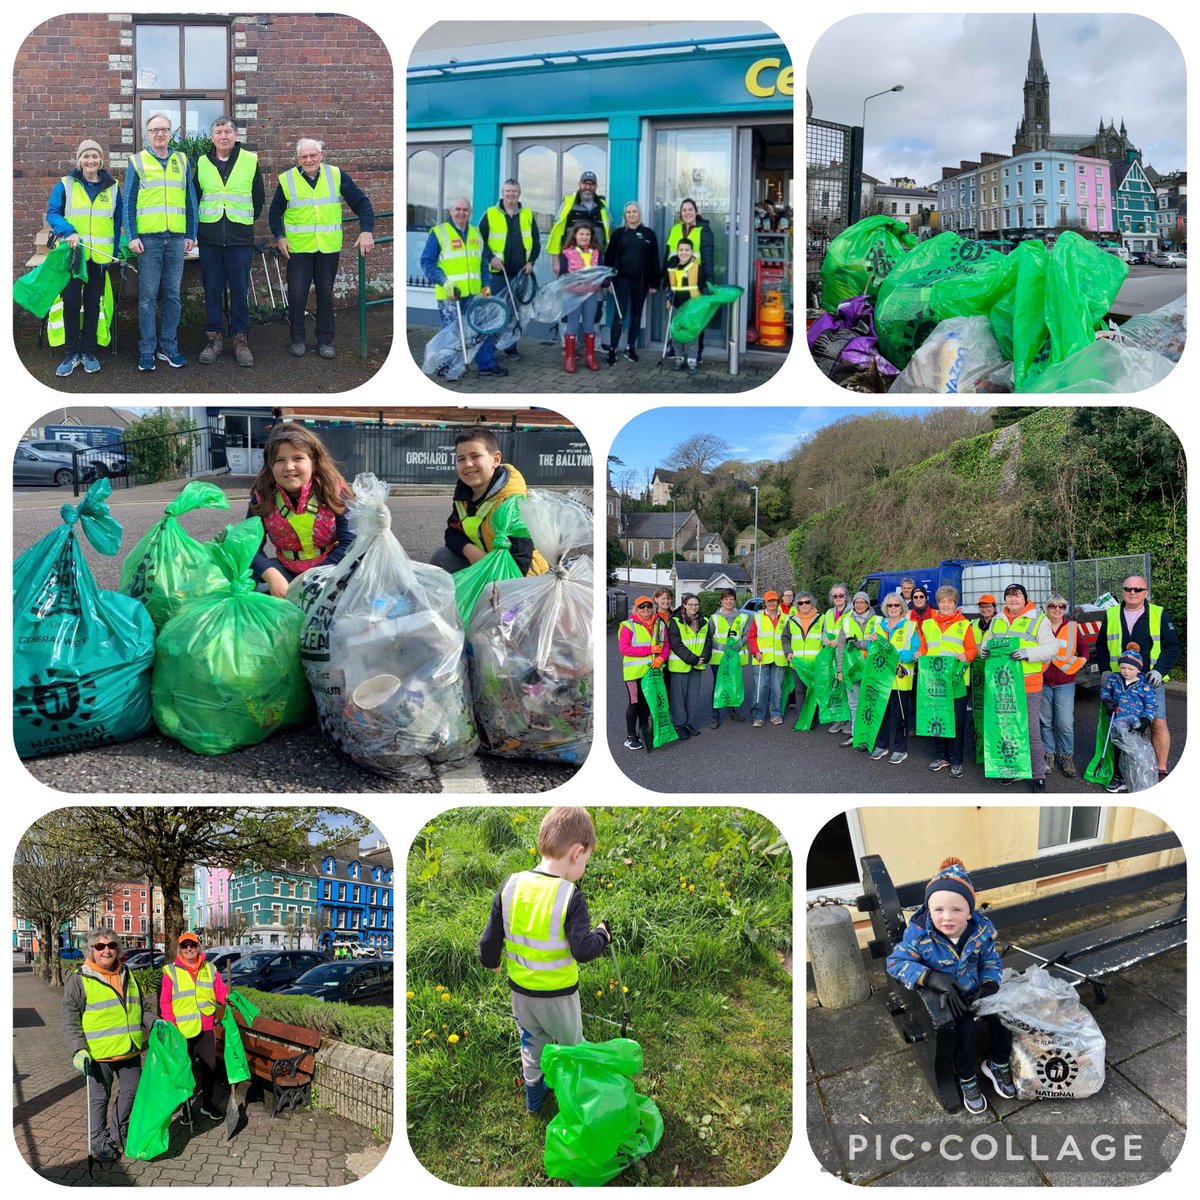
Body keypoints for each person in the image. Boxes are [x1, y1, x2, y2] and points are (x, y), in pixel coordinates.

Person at [477, 806, 612, 1114]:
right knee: (571, 1047)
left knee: (532, 1042)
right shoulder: (570, 896)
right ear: (578, 854)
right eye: (586, 862)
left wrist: (491, 961)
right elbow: (583, 950)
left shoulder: (511, 885)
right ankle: (576, 1099)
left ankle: (534, 1092)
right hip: (559, 998)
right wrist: (602, 935)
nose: (584, 868)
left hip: (521, 994)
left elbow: (489, 940)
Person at [886, 857, 1013, 1115]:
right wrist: (931, 978)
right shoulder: (920, 935)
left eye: (956, 910)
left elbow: (990, 959)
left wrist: (990, 982)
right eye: (938, 910)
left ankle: (997, 1063)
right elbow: (895, 962)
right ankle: (966, 1076)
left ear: (969, 912)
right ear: (928, 910)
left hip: (976, 990)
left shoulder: (981, 931)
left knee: (1005, 1016)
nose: (947, 918)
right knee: (963, 1031)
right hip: (948, 999)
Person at [270, 136, 375, 359]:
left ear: (321, 155)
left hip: (327, 248)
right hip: (299, 249)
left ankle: (325, 341)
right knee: (297, 295)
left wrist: (366, 231)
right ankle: (297, 339)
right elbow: (274, 212)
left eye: (313, 155)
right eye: (304, 156)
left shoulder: (335, 175)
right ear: (298, 159)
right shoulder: (287, 179)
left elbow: (362, 203)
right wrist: (280, 237)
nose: (309, 160)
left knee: (325, 294)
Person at [62, 927, 149, 1162]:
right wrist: (78, 1050)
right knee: (99, 1098)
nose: (106, 950)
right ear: (91, 950)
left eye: (111, 945)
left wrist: (156, 1023)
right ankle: (98, 1140)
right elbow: (70, 1018)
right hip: (98, 1054)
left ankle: (118, 1131)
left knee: (131, 1091)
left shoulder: (127, 974)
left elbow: (142, 1007)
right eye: (100, 946)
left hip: (129, 1049)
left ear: (118, 948)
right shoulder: (80, 979)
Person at [124, 114, 197, 371]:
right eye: (155, 130)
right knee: (146, 297)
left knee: (172, 296)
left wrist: (191, 233)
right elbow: (129, 202)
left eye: (164, 129)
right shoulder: (137, 161)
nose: (159, 134)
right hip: (149, 240)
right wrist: (131, 236)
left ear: (170, 133)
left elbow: (190, 200)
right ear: (148, 133)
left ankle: (168, 346)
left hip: (176, 239)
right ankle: (147, 350)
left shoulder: (182, 160)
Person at [247, 423, 355, 597]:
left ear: (314, 462)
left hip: (332, 571)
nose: (289, 467)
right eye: (280, 460)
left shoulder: (334, 492)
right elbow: (249, 546)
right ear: (270, 465)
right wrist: (270, 573)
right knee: (242, 581)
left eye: (298, 458)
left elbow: (350, 542)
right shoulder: (262, 497)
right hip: (285, 572)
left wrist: (315, 577)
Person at [45, 139, 122, 377]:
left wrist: (114, 252)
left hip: (99, 258)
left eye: (95, 156)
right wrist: (69, 232)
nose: (91, 161)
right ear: (79, 160)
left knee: (92, 304)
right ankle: (71, 354)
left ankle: (88, 352)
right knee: (70, 305)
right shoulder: (66, 184)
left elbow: (117, 221)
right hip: (74, 256)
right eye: (86, 156)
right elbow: (52, 213)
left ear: (101, 160)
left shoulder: (113, 186)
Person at [194, 115, 265, 367]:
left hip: (239, 238)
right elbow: (196, 197)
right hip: (210, 238)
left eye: (227, 131)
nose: (223, 136)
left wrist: (239, 221)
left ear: (235, 135)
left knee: (239, 291)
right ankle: (214, 340)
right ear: (212, 137)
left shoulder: (249, 160)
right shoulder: (202, 162)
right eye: (218, 132)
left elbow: (258, 199)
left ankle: (240, 340)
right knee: (212, 290)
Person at [1094, 575, 1179, 783]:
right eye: (1128, 589)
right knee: (1121, 725)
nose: (1133, 593)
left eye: (1138, 589)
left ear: (1146, 592)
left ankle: (1160, 769)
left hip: (1150, 681)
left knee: (1157, 722)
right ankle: (1122, 773)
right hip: (1120, 681)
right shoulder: (1112, 614)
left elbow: (1172, 647)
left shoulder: (1159, 614)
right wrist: (1105, 671)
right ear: (1122, 591)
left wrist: (1159, 670)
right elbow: (1102, 646)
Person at [431, 427, 549, 576]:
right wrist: (470, 551)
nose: (467, 464)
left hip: (522, 577)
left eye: (475, 456)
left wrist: (485, 567)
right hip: (485, 562)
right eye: (461, 459)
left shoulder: (513, 503)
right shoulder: (464, 496)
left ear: (496, 459)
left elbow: (519, 566)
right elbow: (452, 532)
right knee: (442, 558)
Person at [978, 583, 1058, 792]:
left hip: (1027, 684)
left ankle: (1038, 775)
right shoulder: (998, 620)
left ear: (1025, 598)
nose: (1013, 599)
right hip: (1002, 686)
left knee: (1031, 731)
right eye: (1009, 596)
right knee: (1005, 729)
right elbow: (986, 644)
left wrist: (1027, 653)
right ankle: (1011, 769)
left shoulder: (1038, 619)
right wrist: (983, 652)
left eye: (1017, 595)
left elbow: (1052, 648)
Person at [418, 196, 507, 379]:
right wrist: (444, 282)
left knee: (482, 329)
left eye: (465, 210)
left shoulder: (476, 233)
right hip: (451, 295)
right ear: (450, 211)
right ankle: (453, 368)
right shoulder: (439, 233)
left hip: (475, 293)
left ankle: (486, 364)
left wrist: (486, 285)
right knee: (453, 332)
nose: (461, 213)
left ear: (470, 213)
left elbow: (482, 263)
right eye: (457, 209)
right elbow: (427, 262)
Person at [161, 932, 229, 1120]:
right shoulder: (171, 971)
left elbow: (220, 991)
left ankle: (207, 1104)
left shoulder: (210, 968)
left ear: (198, 946)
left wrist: (227, 999)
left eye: (192, 945)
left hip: (206, 1027)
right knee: (185, 1071)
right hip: (182, 1030)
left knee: (210, 1067)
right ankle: (186, 1109)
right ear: (180, 949)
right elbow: (165, 1002)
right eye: (185, 946)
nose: (189, 949)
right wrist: (171, 1025)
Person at [916, 585, 978, 780]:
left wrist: (965, 655)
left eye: (949, 602)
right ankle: (941, 757)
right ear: (938, 603)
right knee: (936, 720)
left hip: (956, 682)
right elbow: (924, 647)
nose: (945, 605)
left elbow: (973, 650)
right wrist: (919, 654)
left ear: (955, 604)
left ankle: (956, 760)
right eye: (942, 602)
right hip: (934, 682)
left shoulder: (964, 625)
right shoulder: (928, 624)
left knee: (956, 722)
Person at [479, 179, 540, 361]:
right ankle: (489, 348)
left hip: (521, 274)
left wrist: (531, 262)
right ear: (502, 192)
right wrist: (491, 258)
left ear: (519, 194)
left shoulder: (528, 214)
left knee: (515, 312)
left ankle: (510, 347)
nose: (511, 194)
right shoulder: (490, 213)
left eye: (514, 191)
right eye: (508, 191)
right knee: (494, 310)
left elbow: (536, 243)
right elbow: (478, 241)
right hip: (496, 275)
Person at [603, 202, 659, 364]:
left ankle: (630, 348)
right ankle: (613, 349)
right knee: (619, 317)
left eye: (635, 211)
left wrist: (654, 283)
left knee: (636, 316)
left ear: (639, 214)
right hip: (621, 282)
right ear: (625, 215)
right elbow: (609, 259)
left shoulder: (649, 234)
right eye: (629, 212)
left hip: (641, 283)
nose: (632, 214)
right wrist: (608, 281)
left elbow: (654, 260)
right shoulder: (618, 234)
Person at [866, 592, 918, 764]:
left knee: (899, 715)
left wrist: (897, 656)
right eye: (890, 605)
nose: (893, 608)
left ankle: (900, 749)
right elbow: (870, 648)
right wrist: (871, 641)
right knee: (881, 713)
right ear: (885, 608)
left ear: (902, 607)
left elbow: (915, 651)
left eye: (896, 605)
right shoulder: (879, 625)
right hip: (881, 678)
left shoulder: (910, 626)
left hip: (900, 679)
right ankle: (882, 745)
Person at [663, 198, 716, 364]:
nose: (687, 213)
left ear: (696, 211)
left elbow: (707, 259)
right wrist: (665, 280)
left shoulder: (704, 230)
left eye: (690, 209)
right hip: (677, 281)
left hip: (695, 281)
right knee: (677, 316)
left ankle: (696, 352)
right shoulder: (675, 229)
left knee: (695, 318)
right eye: (684, 210)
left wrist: (708, 283)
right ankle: (676, 349)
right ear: (681, 213)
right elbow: (669, 255)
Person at [1100, 645, 1159, 794]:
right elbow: (1105, 692)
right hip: (1117, 723)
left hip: (1135, 726)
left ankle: (1135, 779)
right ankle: (1119, 777)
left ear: (1138, 670)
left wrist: (1145, 721)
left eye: (1130, 669)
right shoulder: (1114, 679)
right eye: (1123, 667)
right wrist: (1107, 702)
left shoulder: (1144, 685)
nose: (1126, 671)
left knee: (1134, 753)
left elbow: (1151, 705)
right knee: (1119, 751)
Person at [1040, 594, 1087, 778]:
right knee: (1045, 722)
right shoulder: (1040, 626)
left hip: (1065, 682)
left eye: (1061, 607)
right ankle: (1048, 755)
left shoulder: (1072, 627)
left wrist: (1077, 664)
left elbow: (1083, 650)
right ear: (1047, 608)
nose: (1057, 610)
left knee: (1065, 723)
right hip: (1043, 681)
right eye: (1053, 606)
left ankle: (1066, 757)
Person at [619, 596, 667, 751]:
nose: (645, 609)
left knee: (647, 703)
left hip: (652, 672)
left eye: (648, 606)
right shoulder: (627, 626)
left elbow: (666, 645)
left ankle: (644, 733)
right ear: (636, 609)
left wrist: (661, 658)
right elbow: (624, 649)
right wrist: (649, 651)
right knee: (635, 703)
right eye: (642, 607)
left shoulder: (659, 624)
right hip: (634, 673)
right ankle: (630, 736)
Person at [556, 223, 604, 373]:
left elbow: (601, 272)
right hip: (573, 294)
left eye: (587, 235)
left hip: (591, 293)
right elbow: (562, 274)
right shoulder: (566, 253)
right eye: (581, 234)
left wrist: (605, 280)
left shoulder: (597, 253)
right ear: (575, 236)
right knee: (572, 325)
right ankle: (569, 359)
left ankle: (590, 357)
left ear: (591, 237)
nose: (584, 237)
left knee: (589, 325)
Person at [666, 593, 713, 740]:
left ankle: (688, 723)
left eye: (696, 604)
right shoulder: (675, 621)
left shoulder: (704, 621)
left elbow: (708, 641)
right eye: (690, 604)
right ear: (684, 605)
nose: (693, 607)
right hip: (681, 665)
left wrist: (704, 657)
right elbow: (676, 644)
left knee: (692, 697)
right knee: (678, 698)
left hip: (697, 665)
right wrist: (694, 659)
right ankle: (679, 725)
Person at [546, 171, 611, 273]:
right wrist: (555, 260)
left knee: (595, 288)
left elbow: (608, 233)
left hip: (596, 259)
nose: (588, 187)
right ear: (579, 184)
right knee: (569, 288)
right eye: (585, 183)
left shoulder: (602, 206)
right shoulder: (568, 203)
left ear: (596, 186)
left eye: (591, 184)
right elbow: (557, 232)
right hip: (570, 260)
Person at [836, 591, 877, 748]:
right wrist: (840, 671)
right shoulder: (845, 620)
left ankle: (869, 735)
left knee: (870, 702)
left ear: (868, 604)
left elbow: (879, 643)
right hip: (851, 668)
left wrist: (859, 643)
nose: (859, 605)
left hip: (871, 668)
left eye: (863, 602)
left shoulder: (878, 620)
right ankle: (855, 734)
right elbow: (841, 647)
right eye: (856, 602)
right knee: (854, 703)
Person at [662, 237, 704, 374]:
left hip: (692, 305)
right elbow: (667, 283)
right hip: (675, 303)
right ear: (677, 251)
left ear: (692, 251)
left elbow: (702, 285)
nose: (683, 253)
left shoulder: (697, 267)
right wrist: (667, 292)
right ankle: (679, 358)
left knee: (691, 332)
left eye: (687, 250)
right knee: (676, 332)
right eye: (681, 250)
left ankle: (692, 360)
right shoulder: (672, 266)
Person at [708, 588, 748, 728]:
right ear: (721, 601)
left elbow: (747, 634)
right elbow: (708, 637)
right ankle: (715, 715)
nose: (729, 601)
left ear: (734, 600)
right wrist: (719, 646)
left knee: (733, 683)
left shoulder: (743, 617)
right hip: (719, 658)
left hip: (735, 658)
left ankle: (732, 711)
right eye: (726, 599)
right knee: (718, 685)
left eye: (731, 599)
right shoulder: (714, 618)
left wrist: (741, 643)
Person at [747, 590, 788, 727]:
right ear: (765, 603)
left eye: (774, 601)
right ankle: (758, 716)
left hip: (780, 658)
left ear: (778, 602)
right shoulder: (758, 617)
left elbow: (789, 638)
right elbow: (751, 637)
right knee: (761, 688)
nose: (772, 604)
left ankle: (776, 714)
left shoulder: (785, 618)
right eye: (769, 601)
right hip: (761, 658)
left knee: (777, 688)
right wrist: (755, 652)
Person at [782, 592, 823, 718]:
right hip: (798, 663)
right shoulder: (792, 620)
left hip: (814, 663)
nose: (804, 605)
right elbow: (785, 638)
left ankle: (813, 717)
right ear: (797, 605)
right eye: (800, 603)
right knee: (799, 691)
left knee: (815, 689)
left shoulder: (822, 618)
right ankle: (800, 716)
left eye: (807, 602)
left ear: (812, 604)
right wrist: (788, 652)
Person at [819, 583, 853, 734]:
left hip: (846, 654)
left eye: (841, 595)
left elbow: (853, 632)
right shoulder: (828, 613)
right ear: (832, 598)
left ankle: (850, 720)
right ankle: (839, 718)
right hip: (831, 654)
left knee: (848, 687)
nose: (838, 598)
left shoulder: (852, 611)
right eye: (835, 596)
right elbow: (825, 631)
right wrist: (825, 640)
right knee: (836, 688)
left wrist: (838, 642)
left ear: (846, 596)